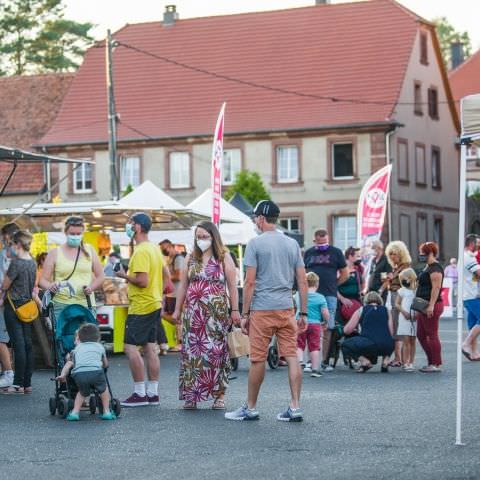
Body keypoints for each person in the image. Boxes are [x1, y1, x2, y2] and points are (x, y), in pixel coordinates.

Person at [225, 200, 308, 422]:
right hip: (286, 308)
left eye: (255, 217)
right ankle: (295, 406)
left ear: (262, 218)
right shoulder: (292, 244)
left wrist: (244, 314)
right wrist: (304, 313)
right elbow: (302, 281)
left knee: (258, 359)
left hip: (262, 308)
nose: (254, 221)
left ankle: (250, 408)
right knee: (291, 356)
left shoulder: (255, 244)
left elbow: (250, 282)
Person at [173, 221, 240, 410]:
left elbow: (232, 287)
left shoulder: (224, 257)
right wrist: (177, 310)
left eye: (205, 236)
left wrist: (235, 311)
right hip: (193, 314)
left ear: (213, 237)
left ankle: (219, 395)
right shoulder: (190, 258)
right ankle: (191, 395)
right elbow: (183, 286)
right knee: (192, 354)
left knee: (216, 353)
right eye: (198, 236)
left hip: (216, 314)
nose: (201, 240)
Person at [115, 212, 169, 407]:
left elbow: (142, 281)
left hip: (141, 306)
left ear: (137, 227)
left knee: (130, 348)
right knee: (149, 346)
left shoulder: (140, 251)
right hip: (153, 303)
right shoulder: (154, 248)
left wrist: (123, 275)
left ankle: (139, 393)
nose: (128, 227)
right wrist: (159, 292)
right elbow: (167, 275)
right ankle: (152, 393)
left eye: (130, 224)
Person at [40, 216, 104, 320]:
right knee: (64, 336)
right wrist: (50, 286)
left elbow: (101, 276)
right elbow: (42, 281)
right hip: (61, 305)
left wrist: (91, 288)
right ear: (65, 232)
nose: (75, 236)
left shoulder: (89, 250)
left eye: (78, 234)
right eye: (72, 234)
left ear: (83, 233)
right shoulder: (55, 253)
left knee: (86, 336)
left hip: (86, 304)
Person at [303, 229, 348, 371]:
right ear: (314, 241)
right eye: (320, 243)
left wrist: (335, 285)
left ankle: (323, 361)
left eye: (325, 242)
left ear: (328, 240)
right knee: (310, 325)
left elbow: (345, 273)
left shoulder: (336, 252)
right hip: (310, 295)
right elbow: (302, 272)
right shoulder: (309, 253)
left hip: (329, 294)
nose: (323, 245)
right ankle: (311, 360)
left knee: (328, 327)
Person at [0, 230, 38, 393]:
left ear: (18, 244)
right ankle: (27, 383)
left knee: (18, 344)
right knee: (28, 344)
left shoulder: (17, 263)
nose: (12, 247)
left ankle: (17, 384)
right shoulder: (33, 262)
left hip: (13, 306)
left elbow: (5, 285)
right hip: (27, 306)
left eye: (13, 244)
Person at [56, 323, 115, 421]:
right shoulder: (99, 347)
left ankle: (75, 412)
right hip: (96, 372)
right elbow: (105, 364)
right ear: (98, 338)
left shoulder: (76, 350)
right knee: (104, 390)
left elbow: (69, 362)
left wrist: (63, 374)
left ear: (80, 339)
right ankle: (106, 411)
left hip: (80, 375)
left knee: (82, 392)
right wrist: (102, 365)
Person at [342, 291, 394, 373]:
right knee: (388, 340)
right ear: (380, 301)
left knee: (345, 345)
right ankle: (386, 360)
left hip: (370, 344)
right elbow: (391, 332)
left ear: (365, 301)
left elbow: (347, 330)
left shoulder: (361, 310)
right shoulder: (386, 310)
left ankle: (365, 362)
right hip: (387, 345)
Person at [415, 241, 444, 373]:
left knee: (432, 334)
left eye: (423, 253)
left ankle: (436, 363)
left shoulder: (435, 268)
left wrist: (431, 305)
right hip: (423, 305)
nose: (421, 255)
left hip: (431, 305)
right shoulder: (428, 267)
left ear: (430, 253)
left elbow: (436, 288)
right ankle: (431, 361)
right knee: (420, 334)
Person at [295, 272, 329, 377]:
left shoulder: (297, 294)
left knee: (299, 344)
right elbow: (325, 312)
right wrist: (326, 321)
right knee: (314, 347)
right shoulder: (320, 297)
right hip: (315, 324)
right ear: (317, 284)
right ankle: (314, 370)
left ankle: (299, 362)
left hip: (300, 322)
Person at [384, 240, 412, 367]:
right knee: (396, 327)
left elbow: (411, 285)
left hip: (400, 298)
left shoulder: (405, 267)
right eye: (389, 254)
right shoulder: (397, 267)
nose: (391, 256)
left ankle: (401, 359)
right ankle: (399, 358)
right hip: (395, 296)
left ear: (400, 254)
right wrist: (390, 280)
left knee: (400, 328)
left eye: (393, 253)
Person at [0, 222, 19, 389]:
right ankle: (18, 376)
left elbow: (4, 279)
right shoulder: (23, 254)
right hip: (19, 301)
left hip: (5, 301)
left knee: (1, 339)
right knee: (16, 339)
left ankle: (9, 373)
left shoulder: (7, 254)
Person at [160, 239, 185, 353]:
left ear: (170, 246)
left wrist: (165, 277)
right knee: (165, 315)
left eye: (164, 248)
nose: (163, 250)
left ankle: (180, 343)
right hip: (170, 293)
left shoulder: (178, 258)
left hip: (177, 293)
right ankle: (180, 339)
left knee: (176, 317)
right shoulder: (169, 258)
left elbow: (179, 276)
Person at [461, 235, 480, 360]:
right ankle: (466, 344)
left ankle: (474, 353)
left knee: (473, 323)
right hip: (471, 295)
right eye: (478, 244)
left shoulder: (463, 256)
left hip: (467, 294)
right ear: (472, 244)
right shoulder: (469, 258)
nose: (479, 246)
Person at [395, 268, 417, 371]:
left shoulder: (416, 290)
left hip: (414, 318)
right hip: (404, 317)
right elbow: (397, 304)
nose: (403, 280)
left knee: (413, 341)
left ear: (411, 278)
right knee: (406, 341)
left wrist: (417, 313)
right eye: (402, 279)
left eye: (405, 278)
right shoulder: (402, 290)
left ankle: (411, 362)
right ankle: (405, 362)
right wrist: (403, 312)